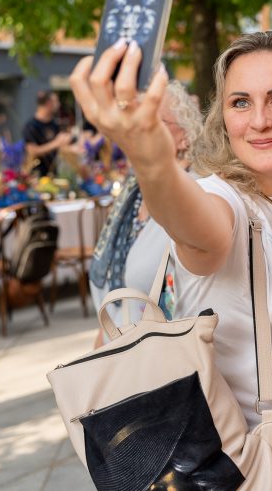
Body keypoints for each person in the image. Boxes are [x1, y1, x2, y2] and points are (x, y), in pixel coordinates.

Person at [71, 31, 272, 491]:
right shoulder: (223, 200)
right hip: (250, 472)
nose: (259, 120)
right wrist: (150, 157)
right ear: (223, 116)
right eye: (240, 102)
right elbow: (196, 228)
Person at [88, 80, 204, 345]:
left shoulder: (195, 195)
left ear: (184, 135)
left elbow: (182, 297)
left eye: (153, 120)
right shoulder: (133, 194)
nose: (137, 131)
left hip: (159, 356)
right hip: (118, 352)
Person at [23, 91, 73, 176]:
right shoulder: (31, 126)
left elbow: (62, 148)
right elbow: (32, 151)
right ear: (49, 103)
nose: (59, 105)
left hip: (54, 173)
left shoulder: (54, 124)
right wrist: (56, 143)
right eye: (56, 101)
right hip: (37, 175)